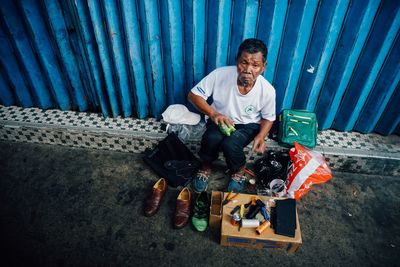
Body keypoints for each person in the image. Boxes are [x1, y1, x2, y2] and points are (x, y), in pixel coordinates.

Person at [188, 38, 276, 193]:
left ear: (263, 67)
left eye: (255, 65)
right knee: (211, 138)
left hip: (248, 124)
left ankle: (239, 171)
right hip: (220, 118)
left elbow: (269, 118)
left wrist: (261, 136)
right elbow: (193, 95)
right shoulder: (220, 74)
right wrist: (213, 114)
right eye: (244, 62)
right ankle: (206, 166)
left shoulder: (267, 90)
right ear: (237, 61)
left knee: (231, 144)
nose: (248, 69)